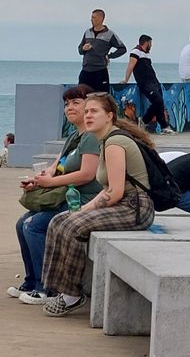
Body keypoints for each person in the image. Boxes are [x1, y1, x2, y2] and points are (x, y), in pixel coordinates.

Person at [41, 93, 156, 317]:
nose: (88, 115)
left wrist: (82, 214)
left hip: (135, 209)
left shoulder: (115, 143)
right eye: (87, 112)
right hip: (122, 205)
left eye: (94, 111)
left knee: (72, 226)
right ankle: (55, 288)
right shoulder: (105, 141)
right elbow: (108, 190)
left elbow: (114, 192)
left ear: (109, 116)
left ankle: (72, 295)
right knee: (58, 221)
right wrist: (82, 210)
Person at [8, 86, 102, 304]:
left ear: (90, 107)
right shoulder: (74, 136)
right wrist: (41, 178)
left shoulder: (90, 137)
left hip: (84, 201)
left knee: (33, 225)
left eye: (76, 103)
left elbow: (86, 174)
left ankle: (47, 288)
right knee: (21, 223)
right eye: (67, 103)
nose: (70, 108)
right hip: (67, 196)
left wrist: (51, 182)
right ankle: (32, 282)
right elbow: (57, 165)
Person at [122, 35, 174, 133]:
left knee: (159, 103)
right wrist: (126, 79)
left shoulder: (145, 54)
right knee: (157, 101)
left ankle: (164, 127)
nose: (151, 46)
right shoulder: (135, 52)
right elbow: (131, 66)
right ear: (146, 43)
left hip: (154, 81)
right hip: (145, 83)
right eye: (150, 43)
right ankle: (145, 121)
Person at [78, 9, 126, 91]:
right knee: (82, 97)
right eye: (91, 17)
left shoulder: (110, 34)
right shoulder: (87, 32)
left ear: (101, 19)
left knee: (102, 98)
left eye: (94, 17)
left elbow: (122, 49)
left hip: (100, 71)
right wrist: (83, 48)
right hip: (86, 70)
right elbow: (79, 50)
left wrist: (109, 56)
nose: (91, 19)